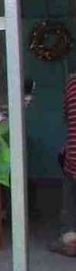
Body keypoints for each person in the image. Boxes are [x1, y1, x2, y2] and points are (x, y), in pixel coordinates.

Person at [50, 65, 76, 257]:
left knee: (69, 178)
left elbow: (67, 117)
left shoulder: (71, 85)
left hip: (73, 155)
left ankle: (69, 236)